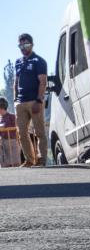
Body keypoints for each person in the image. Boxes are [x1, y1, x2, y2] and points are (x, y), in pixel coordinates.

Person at [13, 34, 48, 167]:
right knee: (22, 133)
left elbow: (43, 82)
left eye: (26, 44)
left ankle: (42, 159)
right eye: (21, 45)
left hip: (34, 101)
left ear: (32, 44)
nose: (23, 48)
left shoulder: (39, 61)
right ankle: (29, 160)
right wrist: (15, 100)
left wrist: (39, 101)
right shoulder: (18, 62)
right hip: (20, 103)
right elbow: (15, 82)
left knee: (39, 132)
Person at [0, 97, 19, 167]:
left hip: (12, 141)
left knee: (15, 163)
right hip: (3, 142)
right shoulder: (0, 118)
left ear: (2, 107)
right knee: (5, 164)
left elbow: (16, 128)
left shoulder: (12, 116)